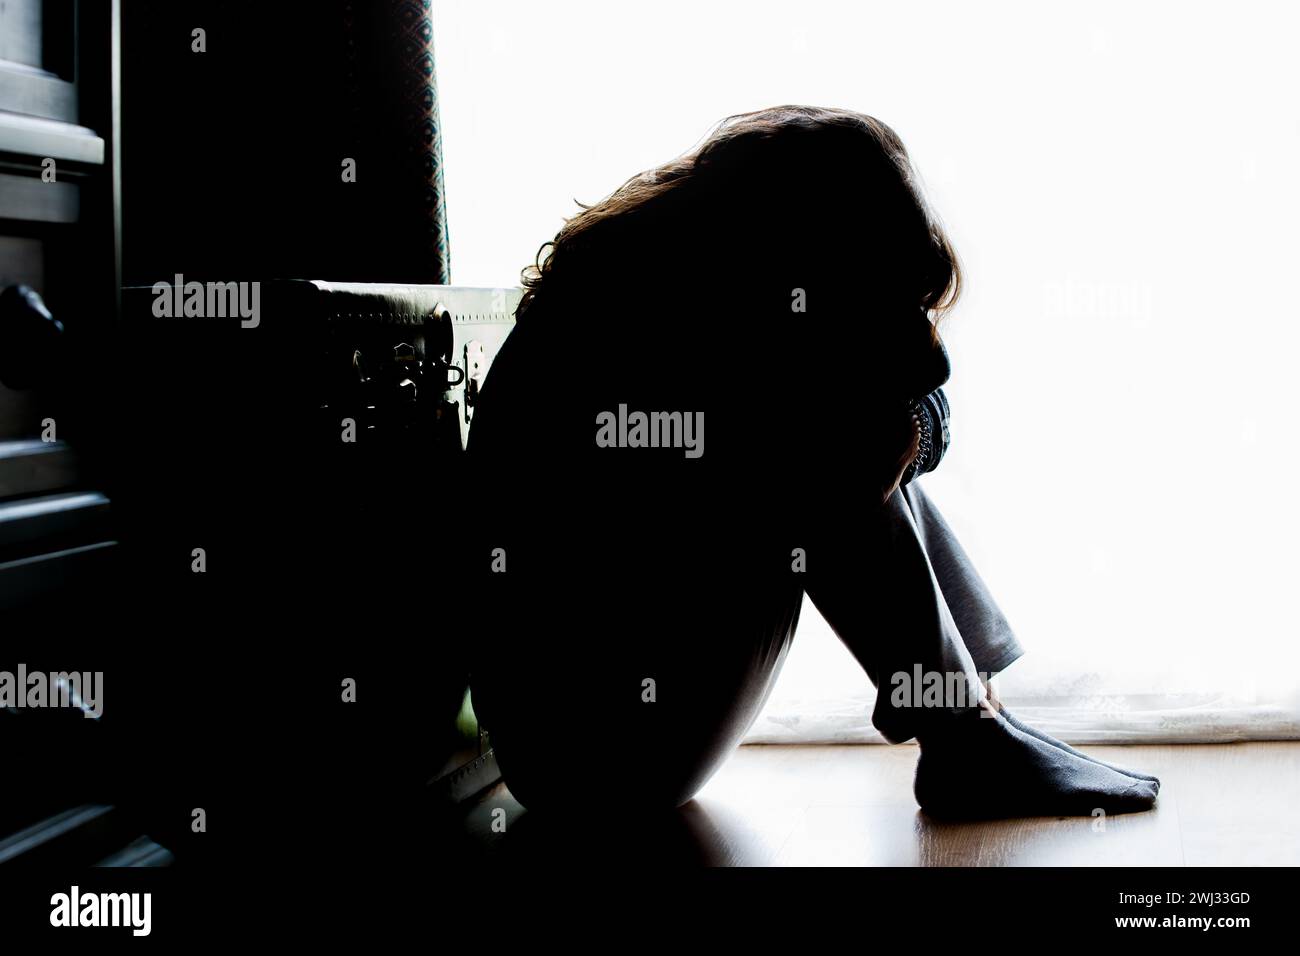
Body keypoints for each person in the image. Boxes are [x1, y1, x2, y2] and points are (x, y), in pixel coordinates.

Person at [467, 105, 1159, 820]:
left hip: (601, 732)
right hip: (592, 752)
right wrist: (882, 427)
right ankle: (966, 733)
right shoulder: (634, 329)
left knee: (850, 439)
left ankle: (972, 722)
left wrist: (899, 423)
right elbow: (872, 422)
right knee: (834, 450)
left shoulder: (688, 281)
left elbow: (926, 396)